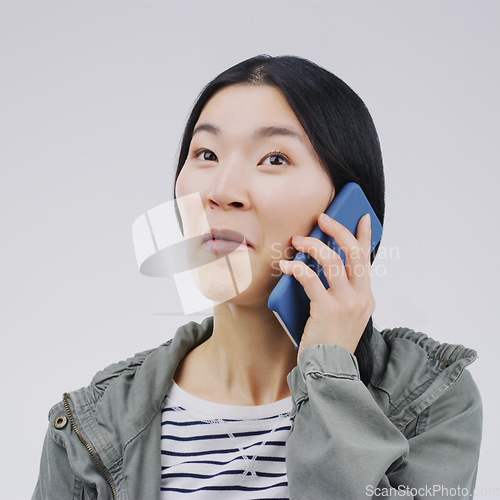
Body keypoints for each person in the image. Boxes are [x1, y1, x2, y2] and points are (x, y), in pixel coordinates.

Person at [32, 55, 482, 500]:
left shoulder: (432, 402)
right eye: (206, 153)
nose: (222, 191)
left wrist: (328, 373)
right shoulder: (92, 425)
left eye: (274, 158)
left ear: (348, 206)